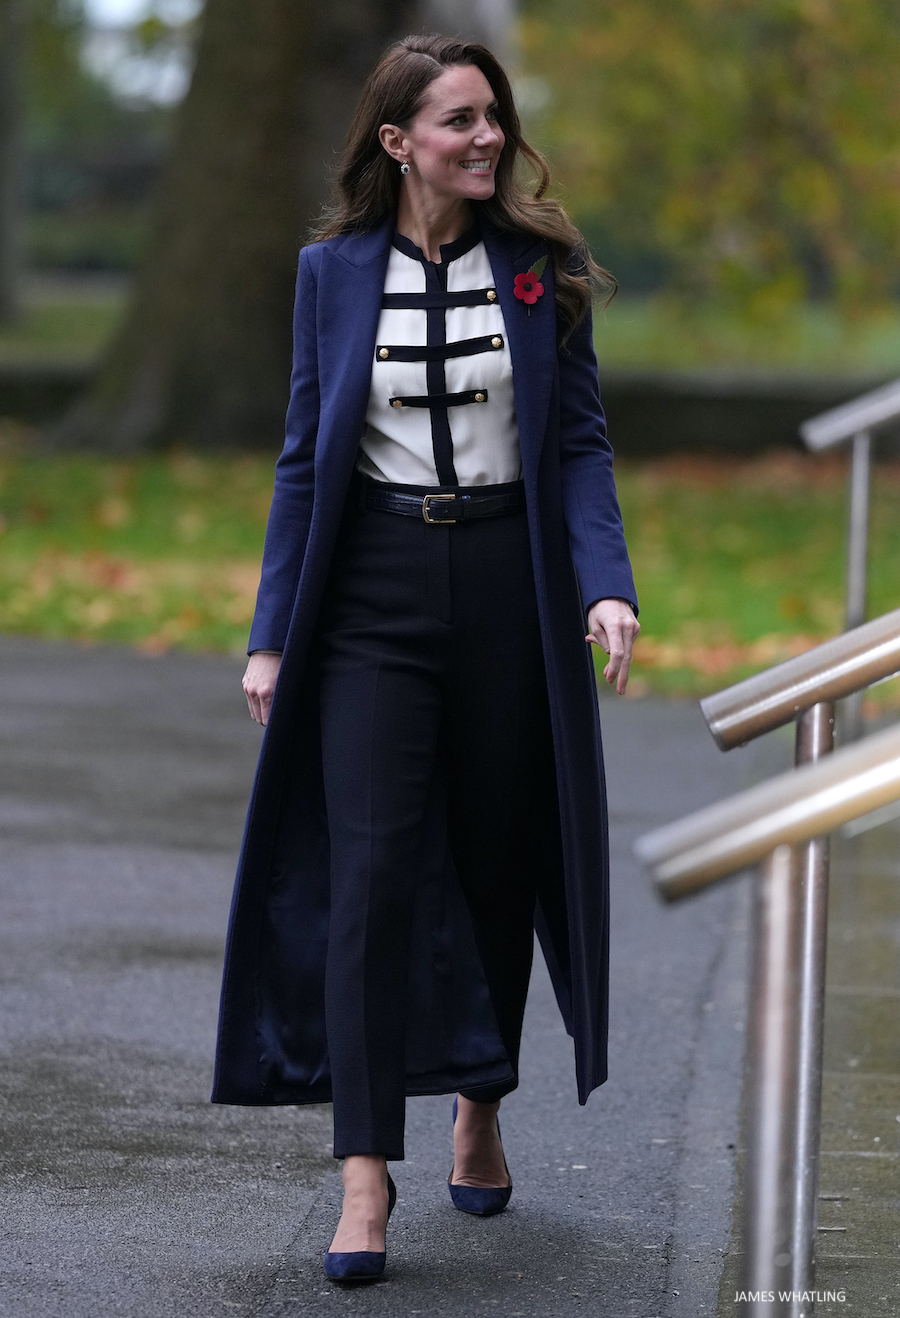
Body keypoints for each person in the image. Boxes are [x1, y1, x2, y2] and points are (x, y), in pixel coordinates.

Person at [212, 32, 639, 1284]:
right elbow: (306, 459)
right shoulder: (331, 274)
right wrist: (271, 629)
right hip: (374, 603)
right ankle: (363, 1170)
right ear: (399, 141)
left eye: (494, 117)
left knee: (496, 859)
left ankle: (480, 1099)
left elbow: (580, 446)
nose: (488, 137)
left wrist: (604, 585)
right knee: (374, 869)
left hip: (510, 590)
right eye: (460, 120)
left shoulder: (539, 267)